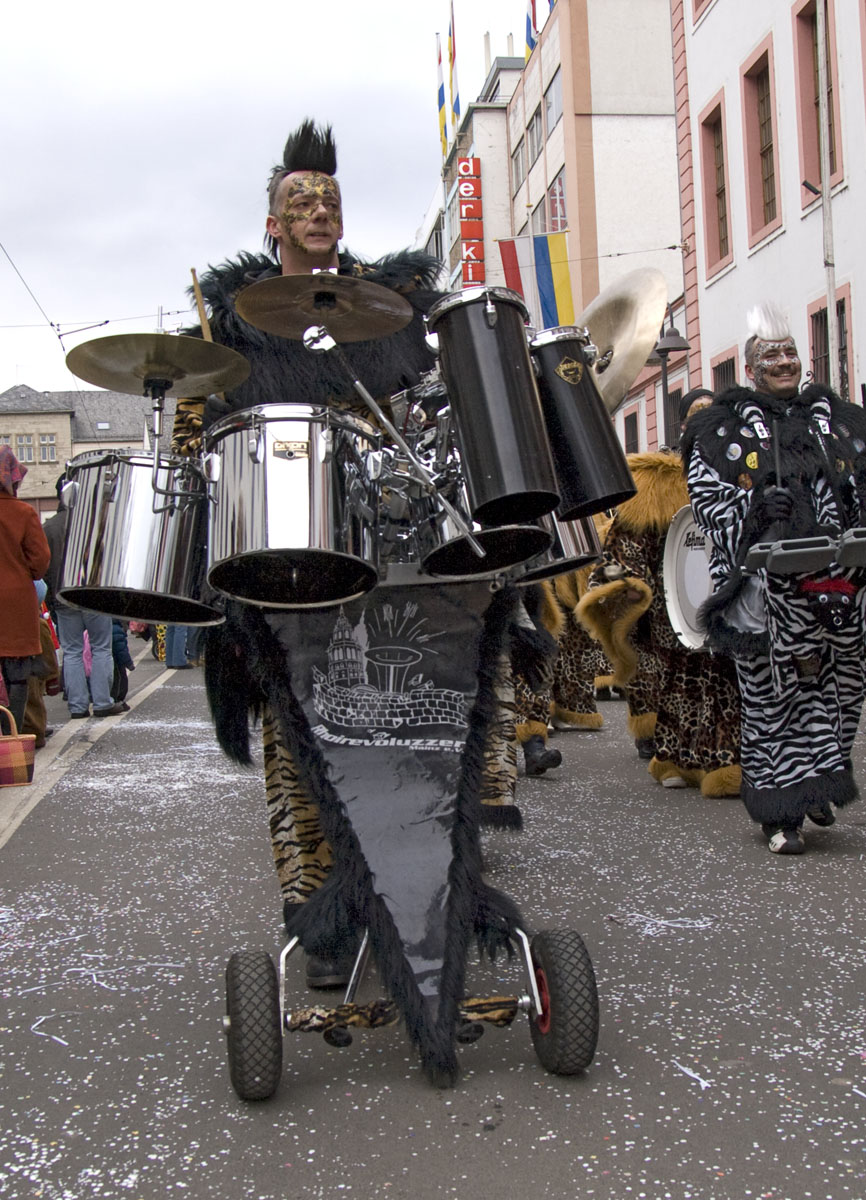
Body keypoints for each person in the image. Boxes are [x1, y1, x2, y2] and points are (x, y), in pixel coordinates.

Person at [171, 121, 529, 1085]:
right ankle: (322, 916)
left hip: (400, 549)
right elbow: (199, 435)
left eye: (329, 199)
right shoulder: (232, 320)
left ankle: (440, 900)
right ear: (274, 221)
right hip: (289, 560)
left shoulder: (395, 303)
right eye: (300, 201)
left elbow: (445, 405)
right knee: (305, 745)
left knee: (429, 728)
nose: (318, 211)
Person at [682, 305, 866, 853]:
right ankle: (779, 815)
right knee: (774, 700)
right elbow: (707, 501)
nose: (784, 362)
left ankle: (818, 784)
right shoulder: (719, 430)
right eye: (772, 356)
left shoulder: (840, 420)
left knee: (841, 692)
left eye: (790, 353)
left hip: (839, 590)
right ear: (751, 367)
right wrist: (755, 508)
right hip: (765, 597)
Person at [578, 407, 741, 797]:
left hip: (726, 604)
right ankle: (674, 759)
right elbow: (626, 545)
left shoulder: (739, 477)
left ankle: (725, 761)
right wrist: (630, 584)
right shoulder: (656, 483)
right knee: (678, 688)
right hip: (672, 613)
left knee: (725, 686)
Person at [42, 476, 125, 719]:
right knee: (101, 648)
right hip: (94, 595)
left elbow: (43, 567)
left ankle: (77, 706)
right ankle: (102, 702)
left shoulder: (49, 528)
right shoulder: (95, 522)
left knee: (72, 652)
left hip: (63, 596)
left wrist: (52, 598)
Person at [0, 447, 51, 732]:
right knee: (17, 676)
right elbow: (40, 562)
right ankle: (11, 737)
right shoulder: (23, 513)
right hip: (15, 606)